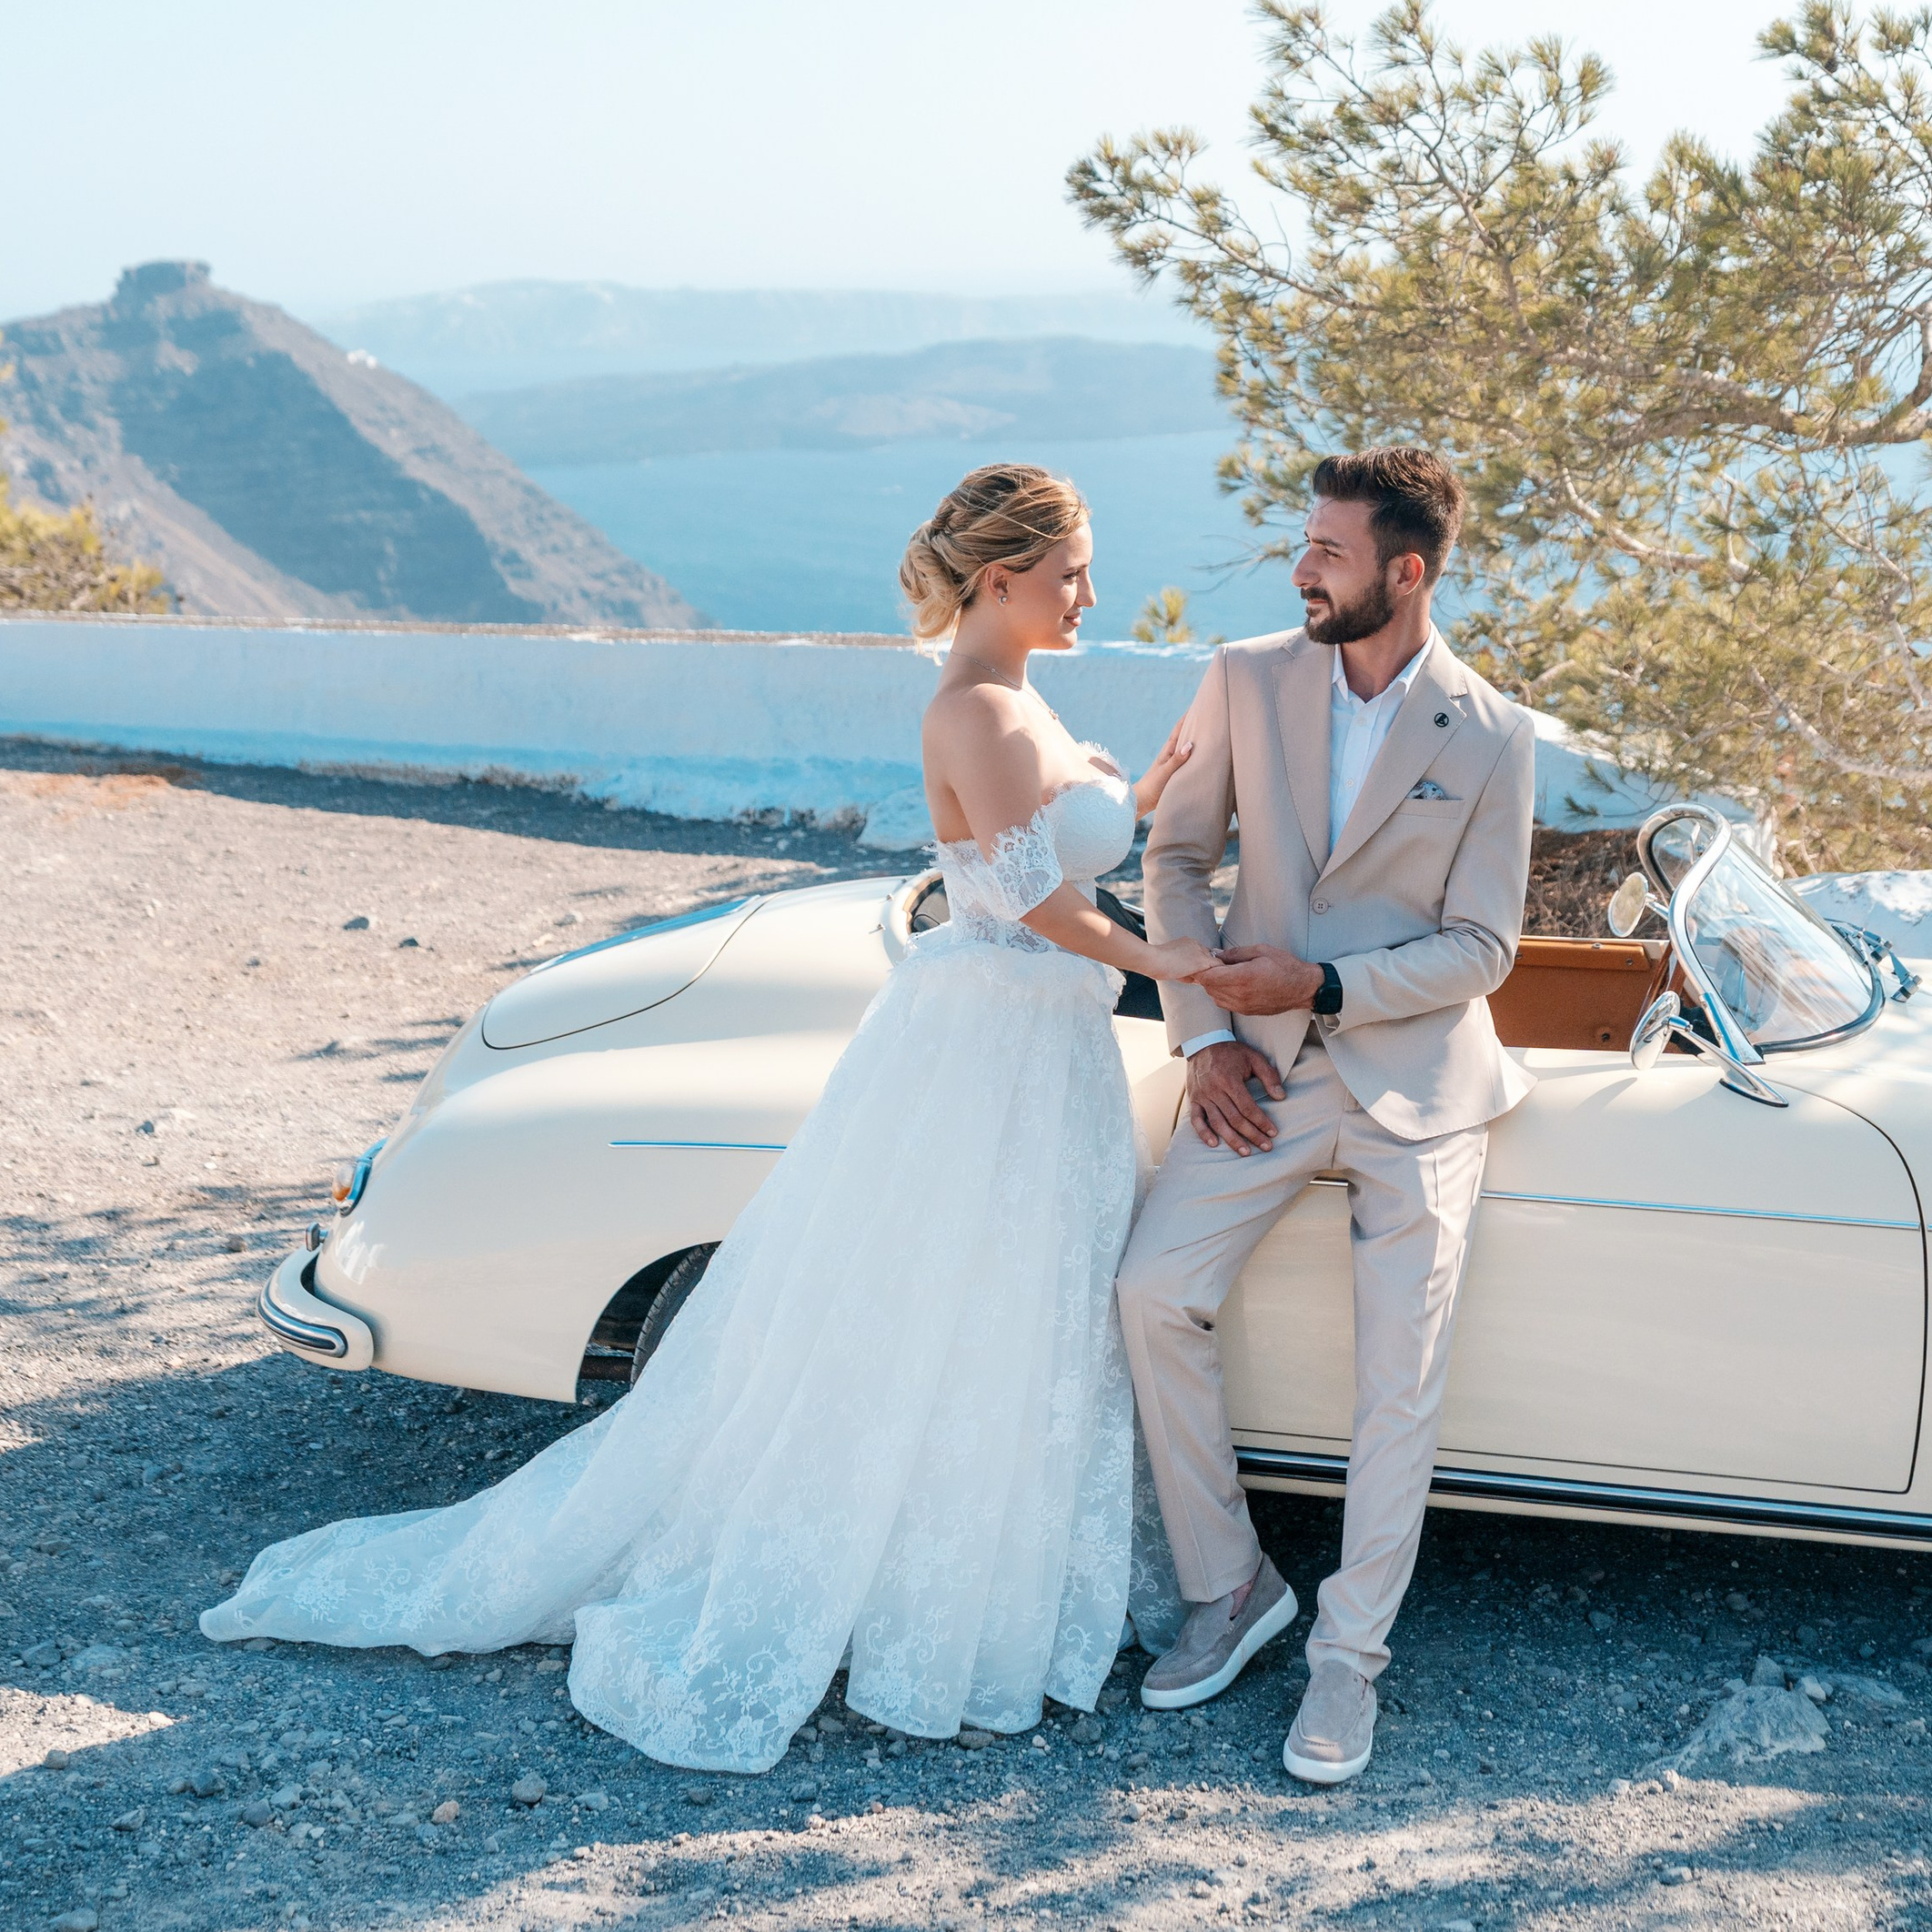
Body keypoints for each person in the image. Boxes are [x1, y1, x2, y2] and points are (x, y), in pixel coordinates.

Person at [200, 463, 1212, 1773]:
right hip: (997, 1044)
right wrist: (1185, 966)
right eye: (1073, 569)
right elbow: (1034, 906)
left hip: (1035, 1036)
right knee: (954, 1295)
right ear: (1004, 576)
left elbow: (1047, 850)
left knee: (1007, 1306)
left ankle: (968, 1569)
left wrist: (1139, 796)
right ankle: (902, 1590)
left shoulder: (1017, 690)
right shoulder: (979, 706)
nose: (1090, 592)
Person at [1120, 445, 1535, 1786]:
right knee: (1150, 1292)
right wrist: (1206, 1037)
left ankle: (1348, 1668)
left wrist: (1334, 983)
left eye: (1331, 553)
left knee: (1395, 1386)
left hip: (1421, 1088)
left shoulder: (1493, 731)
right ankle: (1231, 1587)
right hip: (1260, 1072)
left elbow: (1483, 947)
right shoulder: (1244, 677)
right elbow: (1174, 861)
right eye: (1303, 546)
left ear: (1405, 574)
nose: (1302, 569)